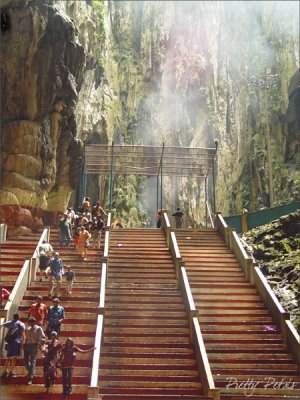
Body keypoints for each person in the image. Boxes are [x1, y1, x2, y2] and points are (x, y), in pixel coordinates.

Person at [0, 313, 25, 377]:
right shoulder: (21, 324)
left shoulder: (10, 323)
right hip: (17, 342)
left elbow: (1, 325)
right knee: (14, 358)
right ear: (19, 317)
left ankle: (5, 371)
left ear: (13, 317)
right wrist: (23, 343)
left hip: (10, 342)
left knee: (8, 358)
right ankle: (11, 371)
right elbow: (23, 335)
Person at [23, 317, 46, 384]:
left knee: (32, 361)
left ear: (34, 322)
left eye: (32, 322)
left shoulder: (38, 328)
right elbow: (25, 338)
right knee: (25, 360)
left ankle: (30, 378)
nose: (31, 323)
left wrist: (39, 344)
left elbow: (43, 337)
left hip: (34, 346)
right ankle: (31, 372)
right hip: (27, 345)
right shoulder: (28, 329)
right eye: (30, 322)